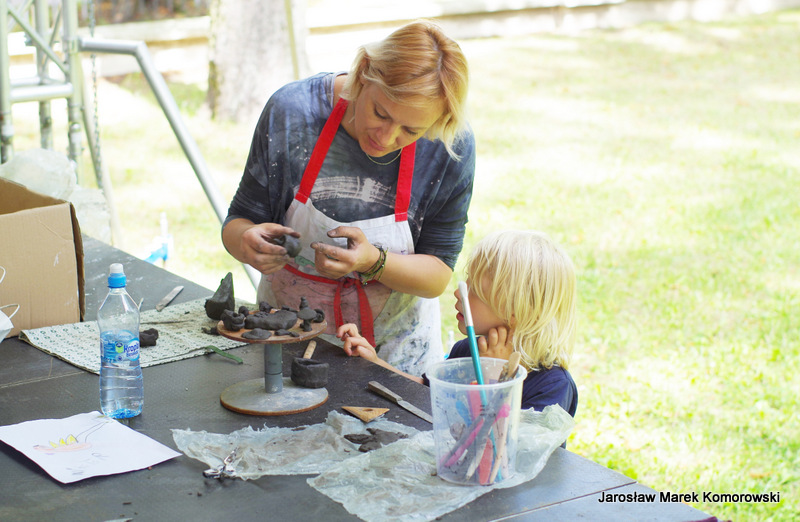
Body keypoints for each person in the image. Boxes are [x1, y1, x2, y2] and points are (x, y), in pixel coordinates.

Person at [222, 20, 475, 377]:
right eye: (380, 113)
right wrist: (244, 241)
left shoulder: (448, 146)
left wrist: (373, 261)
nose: (386, 137)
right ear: (364, 72)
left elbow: (436, 277)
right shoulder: (292, 112)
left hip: (395, 361)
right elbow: (238, 221)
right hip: (285, 341)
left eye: (410, 130)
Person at [337, 230, 578, 416]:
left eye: (475, 291)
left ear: (517, 311)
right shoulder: (467, 350)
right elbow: (427, 392)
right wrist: (376, 363)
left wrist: (495, 380)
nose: (457, 294)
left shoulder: (553, 385)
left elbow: (518, 447)